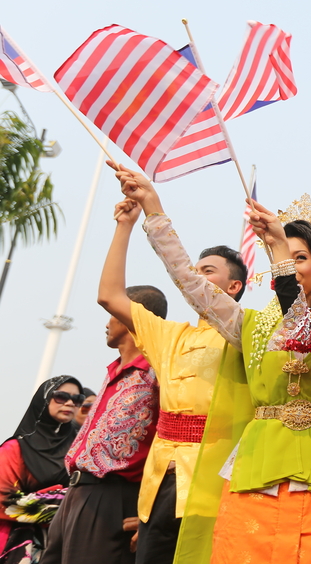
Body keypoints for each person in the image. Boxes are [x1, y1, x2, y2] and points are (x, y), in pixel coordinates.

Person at [115, 167, 311, 564]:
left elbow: (300, 319)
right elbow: (191, 284)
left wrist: (281, 246)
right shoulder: (248, 325)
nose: (291, 265)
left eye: (300, 257)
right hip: (254, 467)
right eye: (284, 256)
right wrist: (153, 208)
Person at [97, 190, 246, 564]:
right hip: (157, 483)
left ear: (234, 288)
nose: (194, 277)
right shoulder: (171, 334)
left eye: (207, 271)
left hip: (214, 485)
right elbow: (110, 296)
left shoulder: (248, 332)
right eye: (192, 271)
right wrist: (124, 225)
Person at [41, 286, 165, 564]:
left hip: (113, 495)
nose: (107, 321)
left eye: (111, 313)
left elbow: (172, 443)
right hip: (76, 492)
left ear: (131, 315)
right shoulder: (113, 370)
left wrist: (152, 512)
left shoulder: (160, 371)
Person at [0, 376, 83, 563]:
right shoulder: (15, 449)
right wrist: (66, 505)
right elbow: (4, 501)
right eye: (61, 396)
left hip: (69, 544)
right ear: (43, 400)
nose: (70, 403)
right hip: (17, 545)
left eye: (77, 399)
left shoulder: (81, 447)